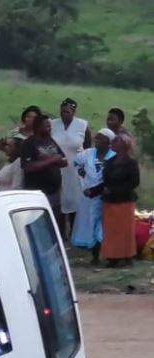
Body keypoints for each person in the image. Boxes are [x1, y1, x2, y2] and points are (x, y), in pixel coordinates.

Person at [73, 128, 114, 259]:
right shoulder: (88, 154)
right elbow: (76, 163)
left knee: (102, 224)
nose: (97, 140)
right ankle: (94, 254)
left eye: (102, 138)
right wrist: (81, 174)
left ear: (109, 142)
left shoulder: (113, 156)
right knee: (90, 222)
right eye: (97, 138)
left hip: (104, 196)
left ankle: (103, 252)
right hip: (88, 195)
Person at [99, 133, 140, 267]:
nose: (113, 143)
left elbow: (134, 182)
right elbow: (105, 181)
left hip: (125, 200)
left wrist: (116, 190)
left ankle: (127, 256)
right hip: (110, 201)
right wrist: (94, 191)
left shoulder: (131, 162)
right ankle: (113, 258)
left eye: (116, 141)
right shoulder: (110, 162)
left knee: (125, 230)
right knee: (111, 230)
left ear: (124, 144)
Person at [20, 113, 67, 223]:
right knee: (38, 223)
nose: (50, 128)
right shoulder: (28, 143)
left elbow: (64, 161)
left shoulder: (51, 140)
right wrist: (52, 160)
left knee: (53, 222)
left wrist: (48, 159)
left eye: (50, 126)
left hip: (54, 192)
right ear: (37, 127)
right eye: (46, 126)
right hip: (37, 192)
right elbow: (29, 167)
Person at [54, 98, 91, 235]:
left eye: (68, 112)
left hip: (75, 170)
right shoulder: (53, 124)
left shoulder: (82, 125)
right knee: (60, 200)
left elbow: (87, 147)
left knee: (75, 200)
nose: (65, 114)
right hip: (57, 169)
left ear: (74, 112)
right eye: (62, 111)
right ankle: (60, 233)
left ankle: (75, 233)